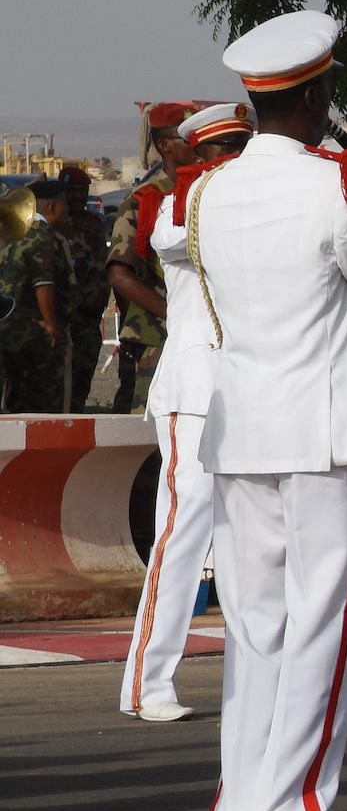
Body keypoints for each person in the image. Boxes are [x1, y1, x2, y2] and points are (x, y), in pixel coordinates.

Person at [159, 11, 347, 811]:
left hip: (240, 430)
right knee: (325, 618)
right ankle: (293, 803)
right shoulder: (333, 184)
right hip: (325, 430)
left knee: (254, 628)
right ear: (316, 97)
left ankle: (242, 801)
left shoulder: (206, 192)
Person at [118, 104, 255, 723]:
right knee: (182, 533)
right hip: (195, 392)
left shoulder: (248, 204)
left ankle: (254, 682)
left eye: (243, 148)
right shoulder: (178, 206)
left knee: (249, 538)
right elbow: (176, 239)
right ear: (199, 157)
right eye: (225, 152)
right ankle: (146, 684)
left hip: (249, 390)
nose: (235, 161)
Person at [108, 109, 198, 413]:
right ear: (164, 146)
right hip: (158, 334)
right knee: (152, 420)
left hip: (198, 330)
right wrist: (174, 314)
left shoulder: (204, 190)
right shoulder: (143, 200)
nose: (197, 144)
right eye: (188, 138)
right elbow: (120, 275)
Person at [0, 179, 74, 413]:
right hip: (36, 333)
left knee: (14, 400)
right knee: (49, 403)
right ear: (52, 207)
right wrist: (51, 324)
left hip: (9, 328)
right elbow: (43, 282)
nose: (68, 209)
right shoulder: (42, 236)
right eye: (65, 204)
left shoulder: (11, 233)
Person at [56, 165, 108, 411]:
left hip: (90, 320)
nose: (78, 196)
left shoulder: (94, 224)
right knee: (60, 387)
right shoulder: (56, 228)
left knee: (82, 384)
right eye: (72, 191)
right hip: (67, 321)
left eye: (82, 191)